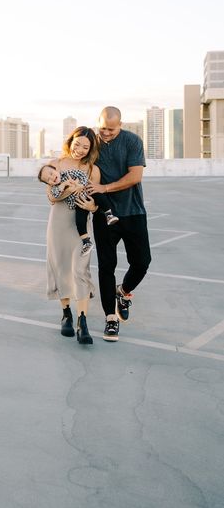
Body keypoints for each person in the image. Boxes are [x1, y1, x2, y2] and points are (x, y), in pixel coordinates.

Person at [87, 106, 152, 342]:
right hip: (104, 214)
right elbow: (72, 155)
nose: (105, 133)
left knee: (142, 262)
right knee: (106, 266)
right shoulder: (92, 142)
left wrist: (104, 187)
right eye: (102, 128)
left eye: (111, 130)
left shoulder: (132, 141)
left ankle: (123, 292)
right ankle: (110, 318)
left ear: (120, 125)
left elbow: (135, 176)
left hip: (133, 211)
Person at [38, 126, 101, 345]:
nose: (81, 150)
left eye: (86, 146)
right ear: (70, 141)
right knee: (61, 266)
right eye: (78, 144)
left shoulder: (92, 169)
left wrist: (93, 207)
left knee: (80, 269)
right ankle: (66, 313)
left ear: (91, 149)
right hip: (58, 222)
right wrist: (68, 189)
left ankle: (82, 321)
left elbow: (97, 200)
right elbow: (52, 198)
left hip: (81, 224)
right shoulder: (55, 164)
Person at [39, 164, 118, 255]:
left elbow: (83, 175)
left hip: (88, 194)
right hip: (78, 204)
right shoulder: (55, 188)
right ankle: (86, 242)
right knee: (80, 221)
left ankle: (109, 215)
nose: (52, 177)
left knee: (100, 197)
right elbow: (55, 195)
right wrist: (64, 185)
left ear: (56, 170)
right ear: (49, 184)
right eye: (48, 179)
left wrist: (81, 185)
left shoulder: (69, 172)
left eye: (51, 173)